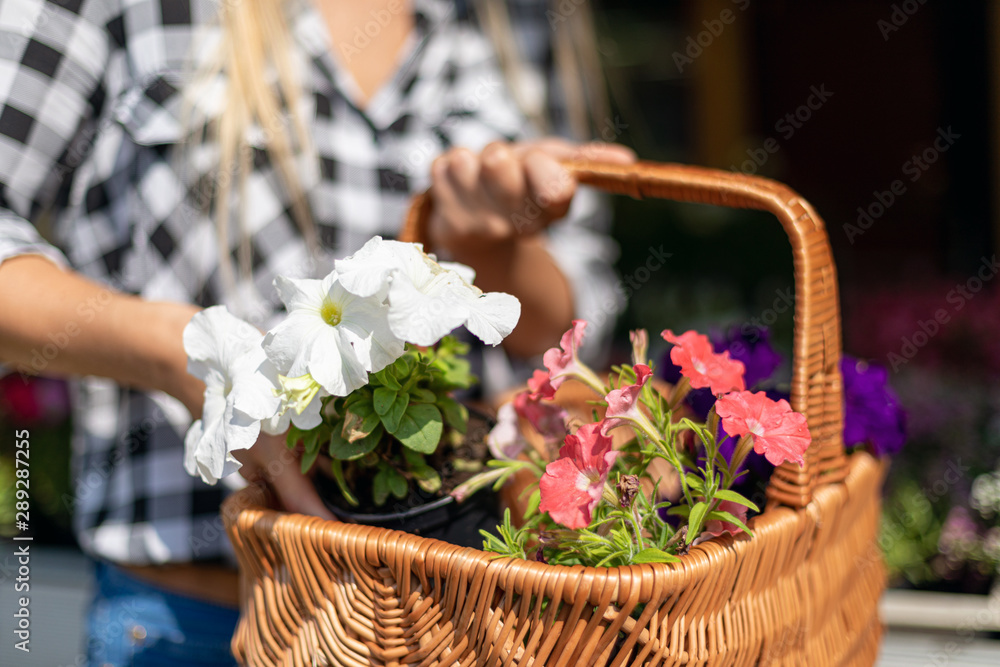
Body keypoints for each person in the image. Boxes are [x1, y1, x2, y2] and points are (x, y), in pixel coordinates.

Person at [0, 0, 629, 663]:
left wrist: (490, 247)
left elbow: (570, 322)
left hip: (473, 625)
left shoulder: (517, 16)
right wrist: (188, 353)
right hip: (197, 626)